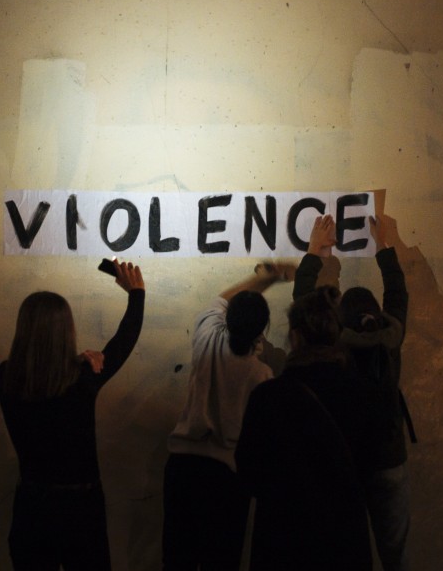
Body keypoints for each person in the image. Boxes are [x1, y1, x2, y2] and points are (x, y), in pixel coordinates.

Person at [0, 261, 145, 571]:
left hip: (31, 506)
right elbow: (122, 343)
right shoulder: (82, 379)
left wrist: (77, 361)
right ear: (66, 331)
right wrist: (137, 294)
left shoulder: (6, 376)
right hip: (81, 509)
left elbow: (42, 377)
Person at [293, 214, 412, 571]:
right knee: (397, 555)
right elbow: (397, 292)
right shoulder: (391, 338)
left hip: (343, 462)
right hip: (389, 459)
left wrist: (315, 253)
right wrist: (385, 247)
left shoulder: (332, 343)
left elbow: (302, 301)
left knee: (343, 553)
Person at [162, 263, 293, 571]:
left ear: (229, 319)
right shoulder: (262, 376)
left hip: (183, 468)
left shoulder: (207, 335)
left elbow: (223, 299)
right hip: (225, 478)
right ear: (261, 332)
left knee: (176, 562)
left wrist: (265, 279)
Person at [235, 285, 372, 571]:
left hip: (282, 543)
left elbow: (248, 473)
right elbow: (372, 466)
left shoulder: (268, 396)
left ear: (295, 337)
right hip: (343, 542)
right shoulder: (359, 393)